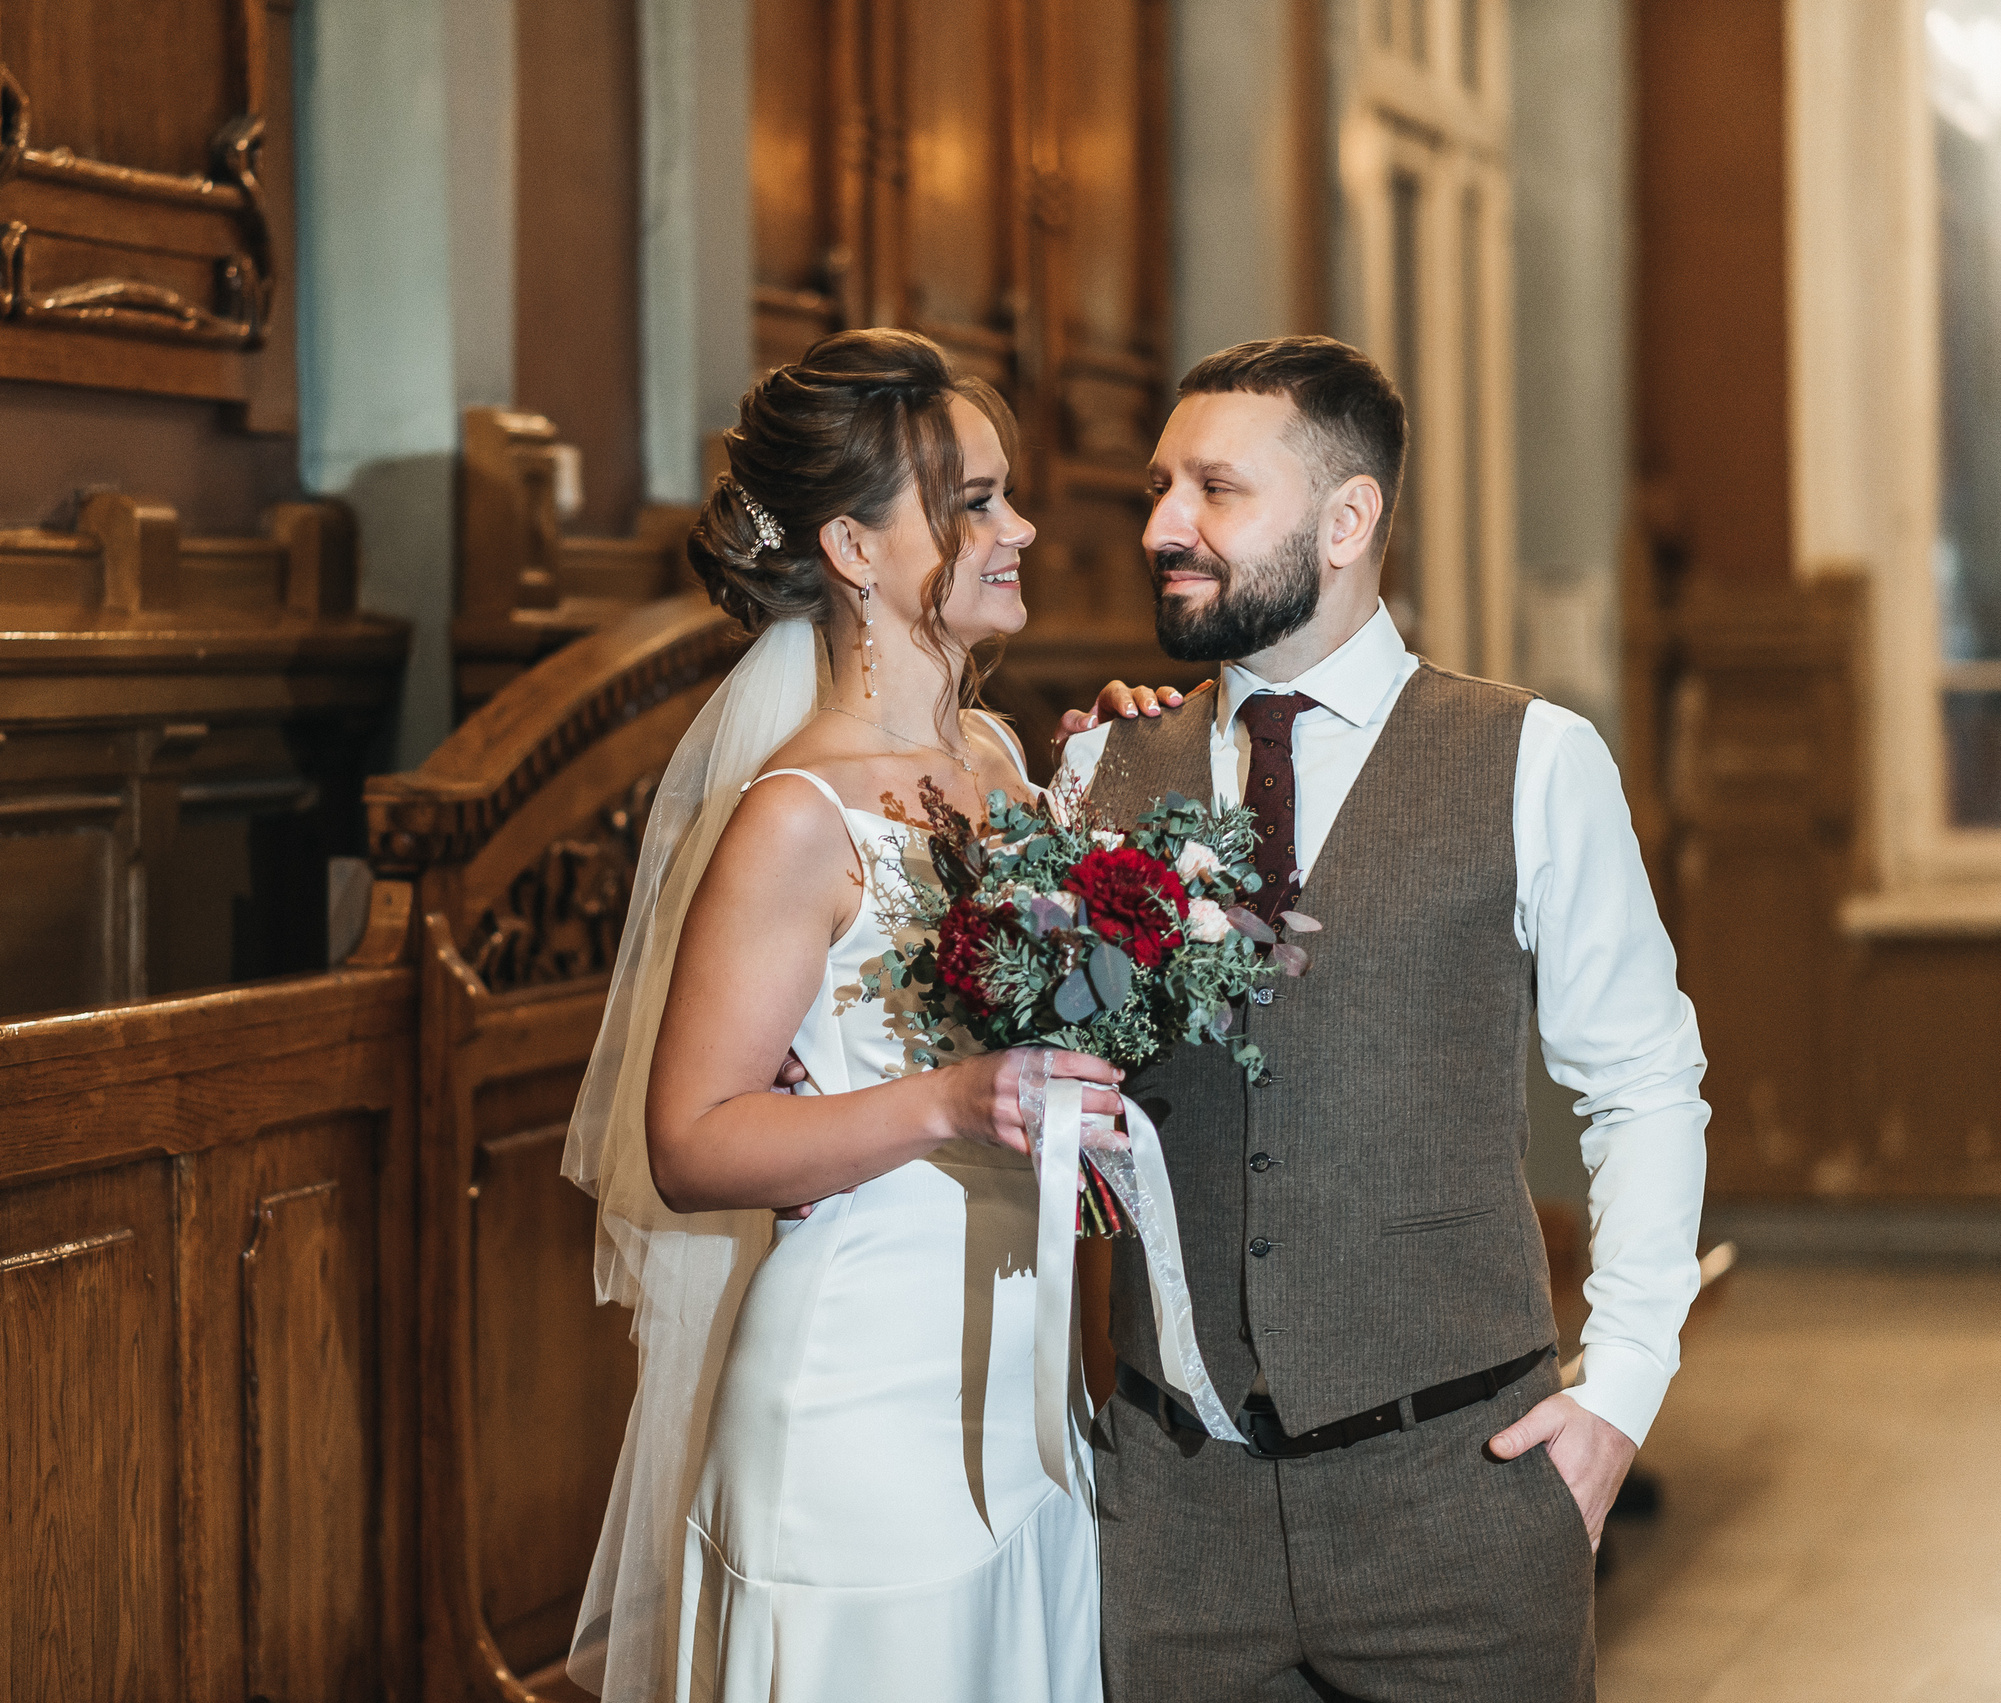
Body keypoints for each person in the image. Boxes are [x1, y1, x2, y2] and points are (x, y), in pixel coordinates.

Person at [1056, 335, 1708, 1701]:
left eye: (1216, 491)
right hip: (1175, 1524)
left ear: (1346, 520)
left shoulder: (1531, 759)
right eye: (1161, 487)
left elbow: (1643, 1083)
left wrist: (1621, 1398)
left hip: (1459, 1501)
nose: (1164, 526)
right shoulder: (1098, 768)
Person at [563, 328, 1120, 1703]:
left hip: (1027, 1393)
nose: (1021, 528)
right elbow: (692, 1141)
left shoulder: (994, 761)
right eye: (975, 501)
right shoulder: (794, 821)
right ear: (854, 549)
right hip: (860, 1417)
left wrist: (1118, 815)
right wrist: (943, 1101)